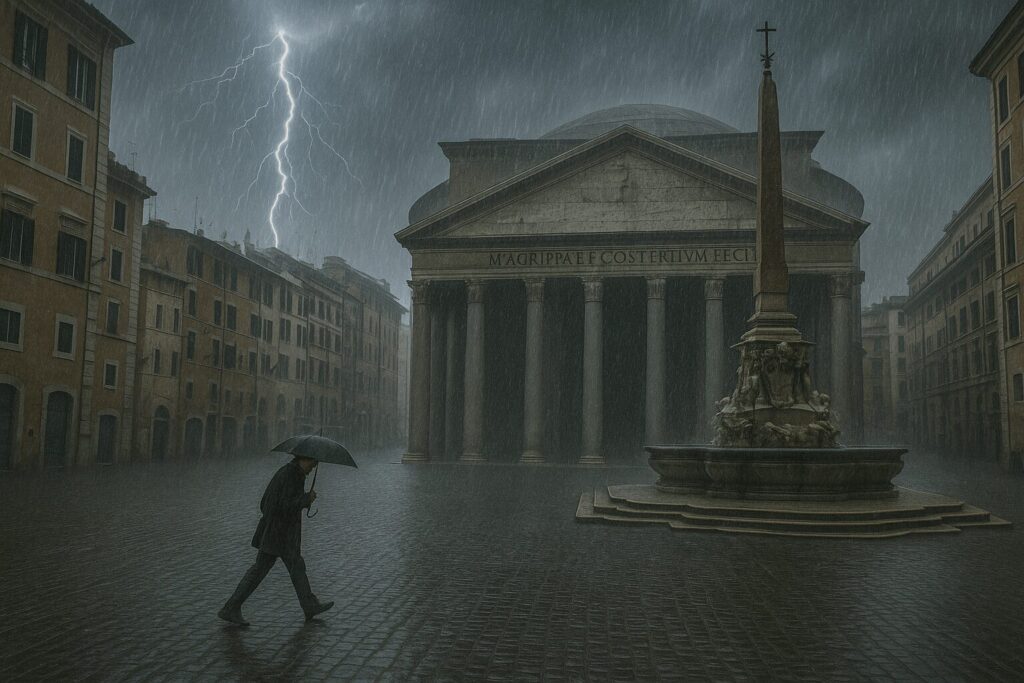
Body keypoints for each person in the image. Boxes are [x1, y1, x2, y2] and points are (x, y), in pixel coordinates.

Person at [218, 455, 334, 626]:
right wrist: (305, 499)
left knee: (294, 567)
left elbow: (278, 502)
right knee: (262, 570)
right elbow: (280, 505)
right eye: (312, 463)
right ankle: (231, 607)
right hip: (279, 534)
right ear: (303, 459)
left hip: (282, 533)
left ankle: (309, 605)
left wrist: (303, 500)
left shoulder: (293, 473)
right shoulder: (289, 475)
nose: (313, 468)